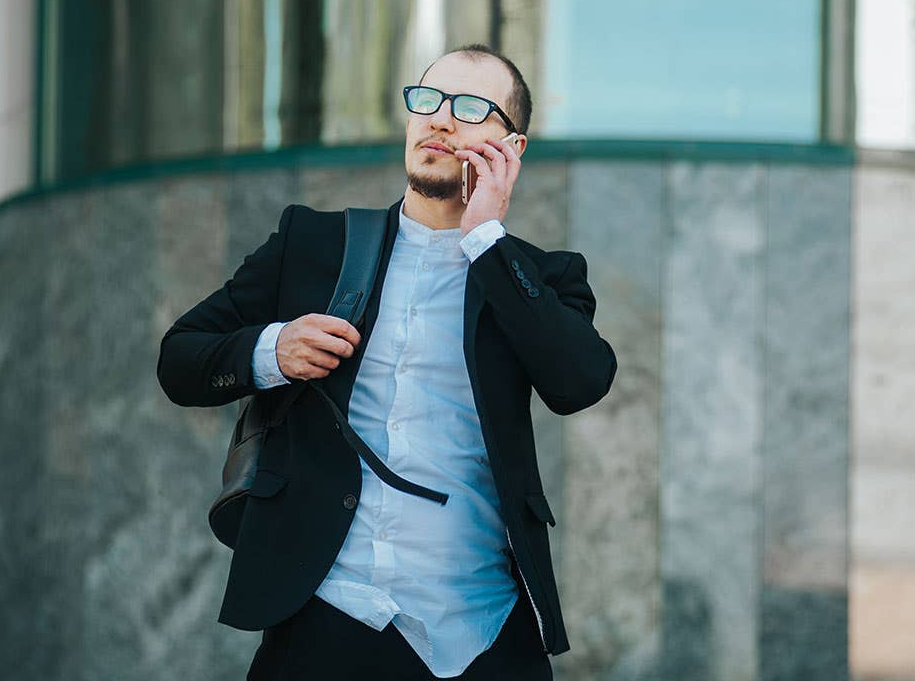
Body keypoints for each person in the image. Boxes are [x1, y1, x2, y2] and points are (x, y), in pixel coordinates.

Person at [156, 43, 617, 680]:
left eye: (470, 108)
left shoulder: (541, 277)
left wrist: (486, 239)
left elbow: (581, 382)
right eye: (428, 100)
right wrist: (273, 350)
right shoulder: (311, 243)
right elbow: (179, 358)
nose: (440, 119)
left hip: (481, 631)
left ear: (513, 148)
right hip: (327, 614)